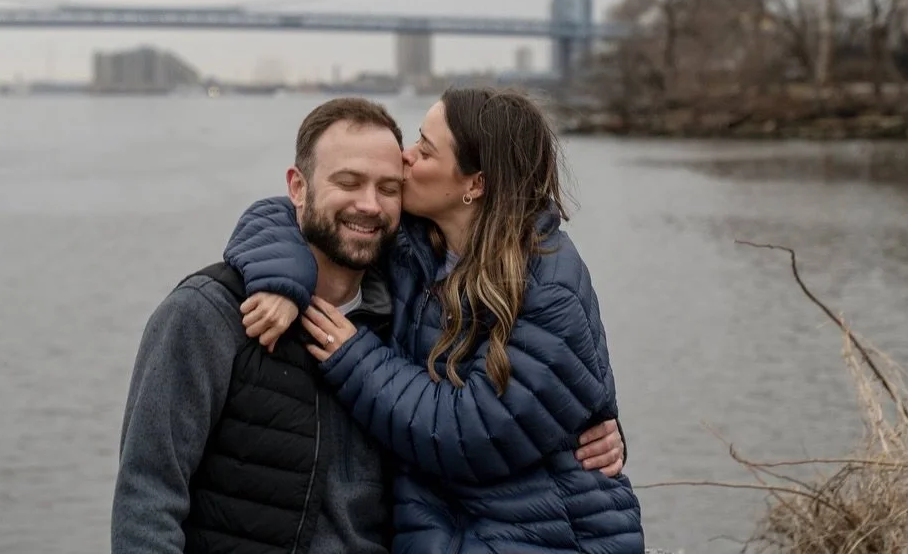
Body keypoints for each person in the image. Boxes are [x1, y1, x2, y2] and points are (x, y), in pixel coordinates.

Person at [111, 96, 623, 554]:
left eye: (390, 186)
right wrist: (281, 279)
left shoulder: (417, 305)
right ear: (298, 187)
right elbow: (148, 498)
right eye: (348, 182)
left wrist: (592, 422)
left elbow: (494, 415)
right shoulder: (211, 314)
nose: (370, 204)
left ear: (470, 185)